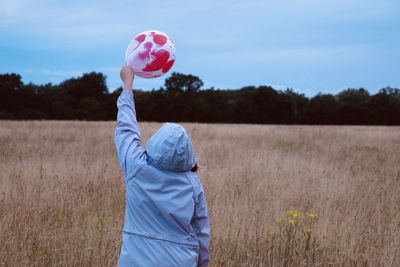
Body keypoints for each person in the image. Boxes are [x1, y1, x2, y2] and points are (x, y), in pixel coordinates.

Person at [115, 66, 211, 267]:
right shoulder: (193, 183)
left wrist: (127, 86)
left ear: (155, 143)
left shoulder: (137, 167)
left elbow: (126, 129)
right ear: (188, 152)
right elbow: (201, 230)